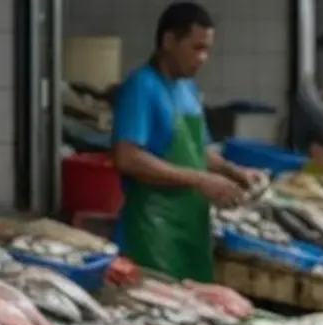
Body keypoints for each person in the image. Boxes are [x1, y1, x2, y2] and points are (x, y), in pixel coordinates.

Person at [110, 1, 263, 282]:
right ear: (169, 41)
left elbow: (198, 151)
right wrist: (199, 180)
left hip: (191, 227)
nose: (203, 58)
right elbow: (127, 157)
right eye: (196, 48)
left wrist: (233, 172)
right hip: (152, 232)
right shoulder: (141, 86)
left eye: (207, 50)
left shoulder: (188, 88)